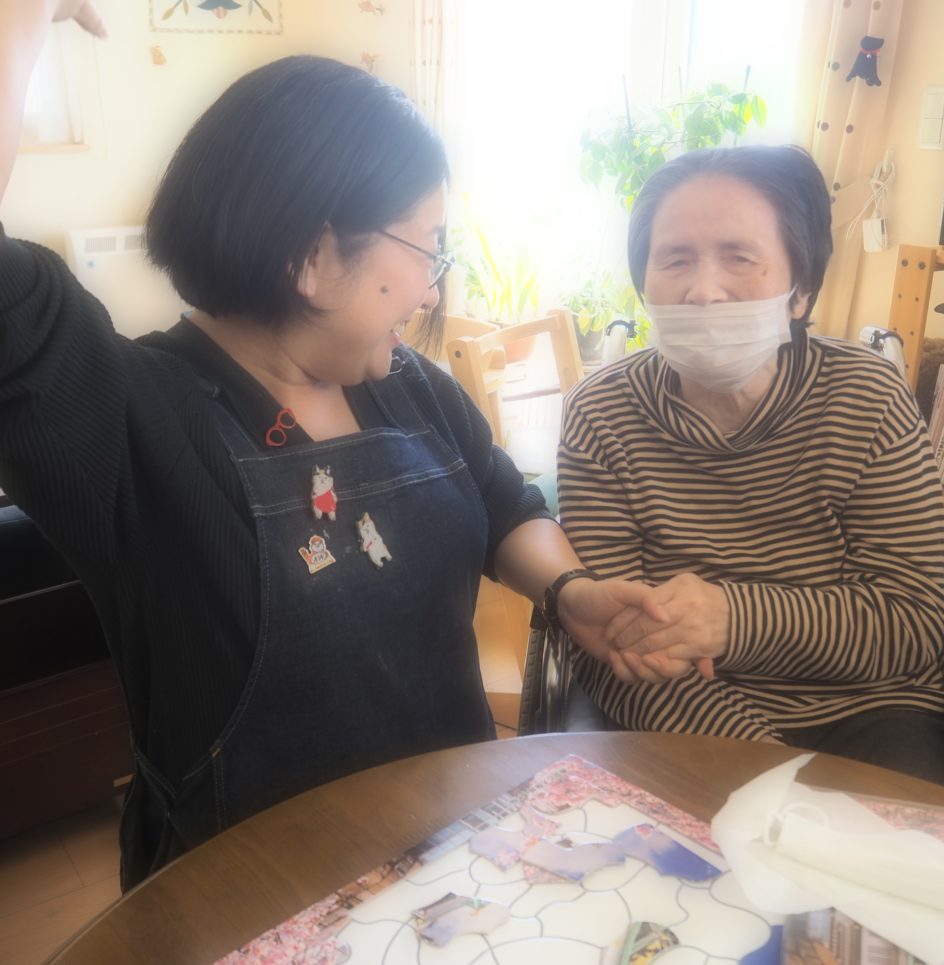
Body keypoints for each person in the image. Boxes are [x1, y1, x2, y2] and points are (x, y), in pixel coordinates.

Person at [0, 1, 665, 887]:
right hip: (251, 900)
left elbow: (504, 499)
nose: (431, 289)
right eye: (426, 247)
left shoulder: (408, 384)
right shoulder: (127, 420)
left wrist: (570, 590)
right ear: (314, 257)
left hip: (450, 863)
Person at [558, 144, 944, 787]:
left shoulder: (867, 398)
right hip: (676, 711)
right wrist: (759, 762)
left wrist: (732, 619)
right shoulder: (601, 412)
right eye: (675, 260)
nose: (702, 292)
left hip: (871, 707)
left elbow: (909, 621)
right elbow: (616, 640)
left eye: (739, 258)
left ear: (800, 291)